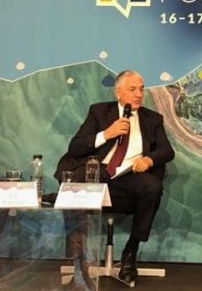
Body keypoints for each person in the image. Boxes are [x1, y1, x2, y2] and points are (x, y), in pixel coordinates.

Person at [54, 70, 175, 284]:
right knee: (78, 182)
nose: (138, 94)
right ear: (118, 92)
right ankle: (79, 261)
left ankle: (130, 253)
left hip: (129, 175)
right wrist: (106, 134)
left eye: (141, 89)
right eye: (132, 89)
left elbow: (167, 151)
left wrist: (148, 160)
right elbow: (75, 147)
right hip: (99, 173)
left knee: (152, 186)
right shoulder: (99, 112)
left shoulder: (152, 119)